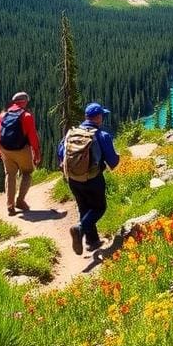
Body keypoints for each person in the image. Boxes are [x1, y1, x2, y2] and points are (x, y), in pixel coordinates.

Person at [58, 102, 120, 254]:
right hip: (93, 179)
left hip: (73, 179)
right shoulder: (101, 135)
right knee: (99, 208)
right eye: (102, 116)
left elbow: (60, 153)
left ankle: (92, 241)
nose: (103, 119)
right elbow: (112, 161)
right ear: (98, 118)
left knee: (84, 207)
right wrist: (117, 156)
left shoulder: (72, 133)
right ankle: (79, 228)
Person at [0, 91, 42, 215]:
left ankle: (10, 205)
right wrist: (36, 152)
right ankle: (20, 200)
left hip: (5, 149)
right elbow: (33, 136)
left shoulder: (3, 115)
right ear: (24, 102)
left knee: (10, 175)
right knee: (27, 173)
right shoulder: (26, 116)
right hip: (21, 150)